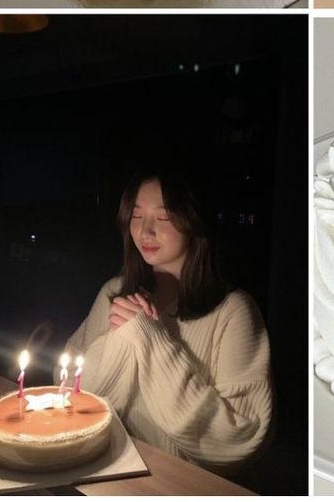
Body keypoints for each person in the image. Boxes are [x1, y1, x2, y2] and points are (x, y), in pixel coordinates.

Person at [58, 174, 272, 474]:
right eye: (137, 216)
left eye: (163, 216)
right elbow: (68, 389)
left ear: (193, 221)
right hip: (98, 467)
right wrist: (123, 337)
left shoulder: (233, 311)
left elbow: (237, 440)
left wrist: (152, 340)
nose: (146, 230)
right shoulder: (114, 291)